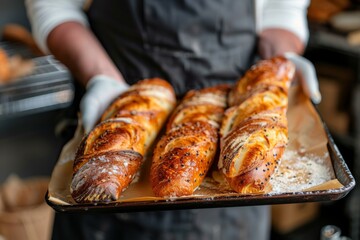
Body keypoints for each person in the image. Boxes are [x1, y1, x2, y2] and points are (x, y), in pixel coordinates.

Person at [25, 0, 310, 239]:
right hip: (122, 91)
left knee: (245, 178)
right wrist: (100, 77)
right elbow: (53, 6)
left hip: (231, 158)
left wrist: (277, 66)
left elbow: (281, 11)